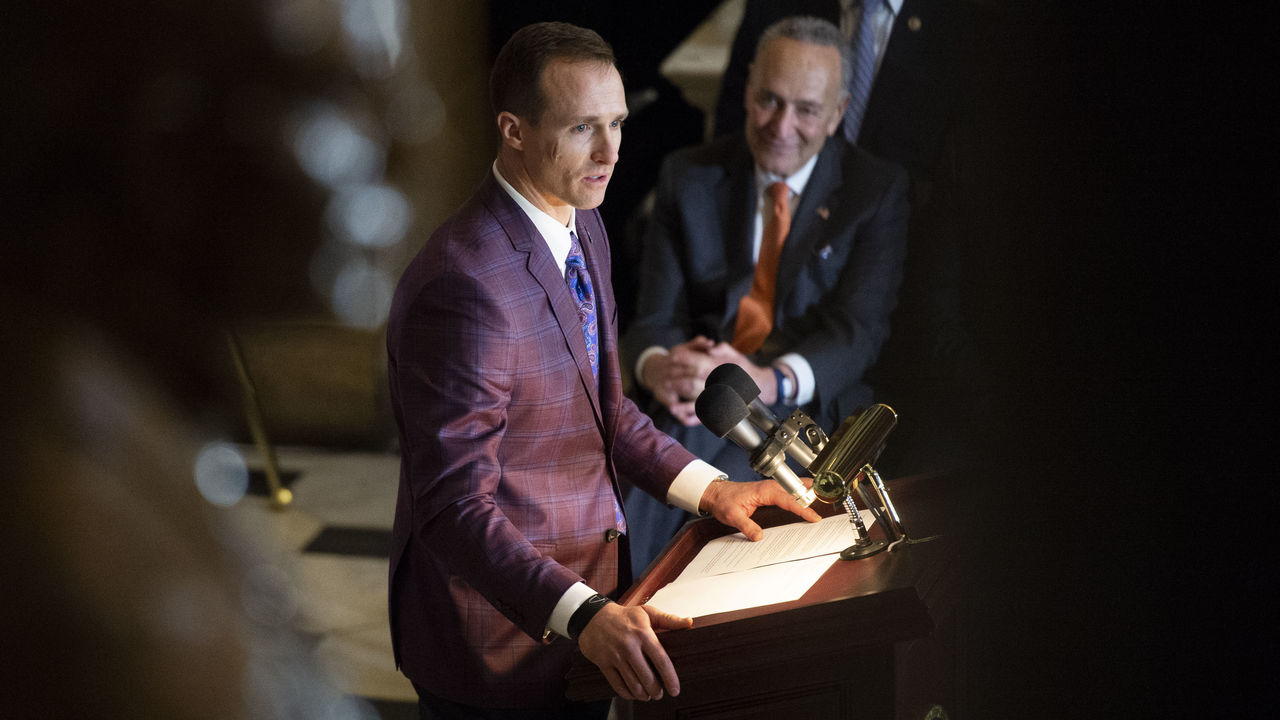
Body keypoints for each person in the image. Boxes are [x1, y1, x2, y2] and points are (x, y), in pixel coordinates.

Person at [385, 21, 820, 719]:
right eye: (584, 126)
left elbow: (605, 409)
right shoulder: (462, 288)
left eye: (618, 123)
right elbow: (454, 508)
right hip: (497, 641)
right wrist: (583, 614)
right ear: (514, 130)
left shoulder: (582, 221)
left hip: (589, 610)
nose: (612, 151)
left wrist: (714, 491)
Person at [619, 16, 909, 576]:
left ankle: (633, 618)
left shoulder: (876, 192)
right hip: (700, 400)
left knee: (676, 471)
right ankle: (627, 621)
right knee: (655, 455)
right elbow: (653, 320)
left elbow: (859, 330)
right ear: (747, 88)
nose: (781, 125)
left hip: (806, 410)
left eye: (805, 109)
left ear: (838, 113)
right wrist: (661, 369)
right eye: (768, 101)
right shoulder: (688, 174)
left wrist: (764, 379)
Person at [713, 0, 987, 475]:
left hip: (892, 306)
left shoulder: (969, 25)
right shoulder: (775, 11)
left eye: (806, 110)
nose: (784, 123)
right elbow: (733, 164)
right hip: (763, 309)